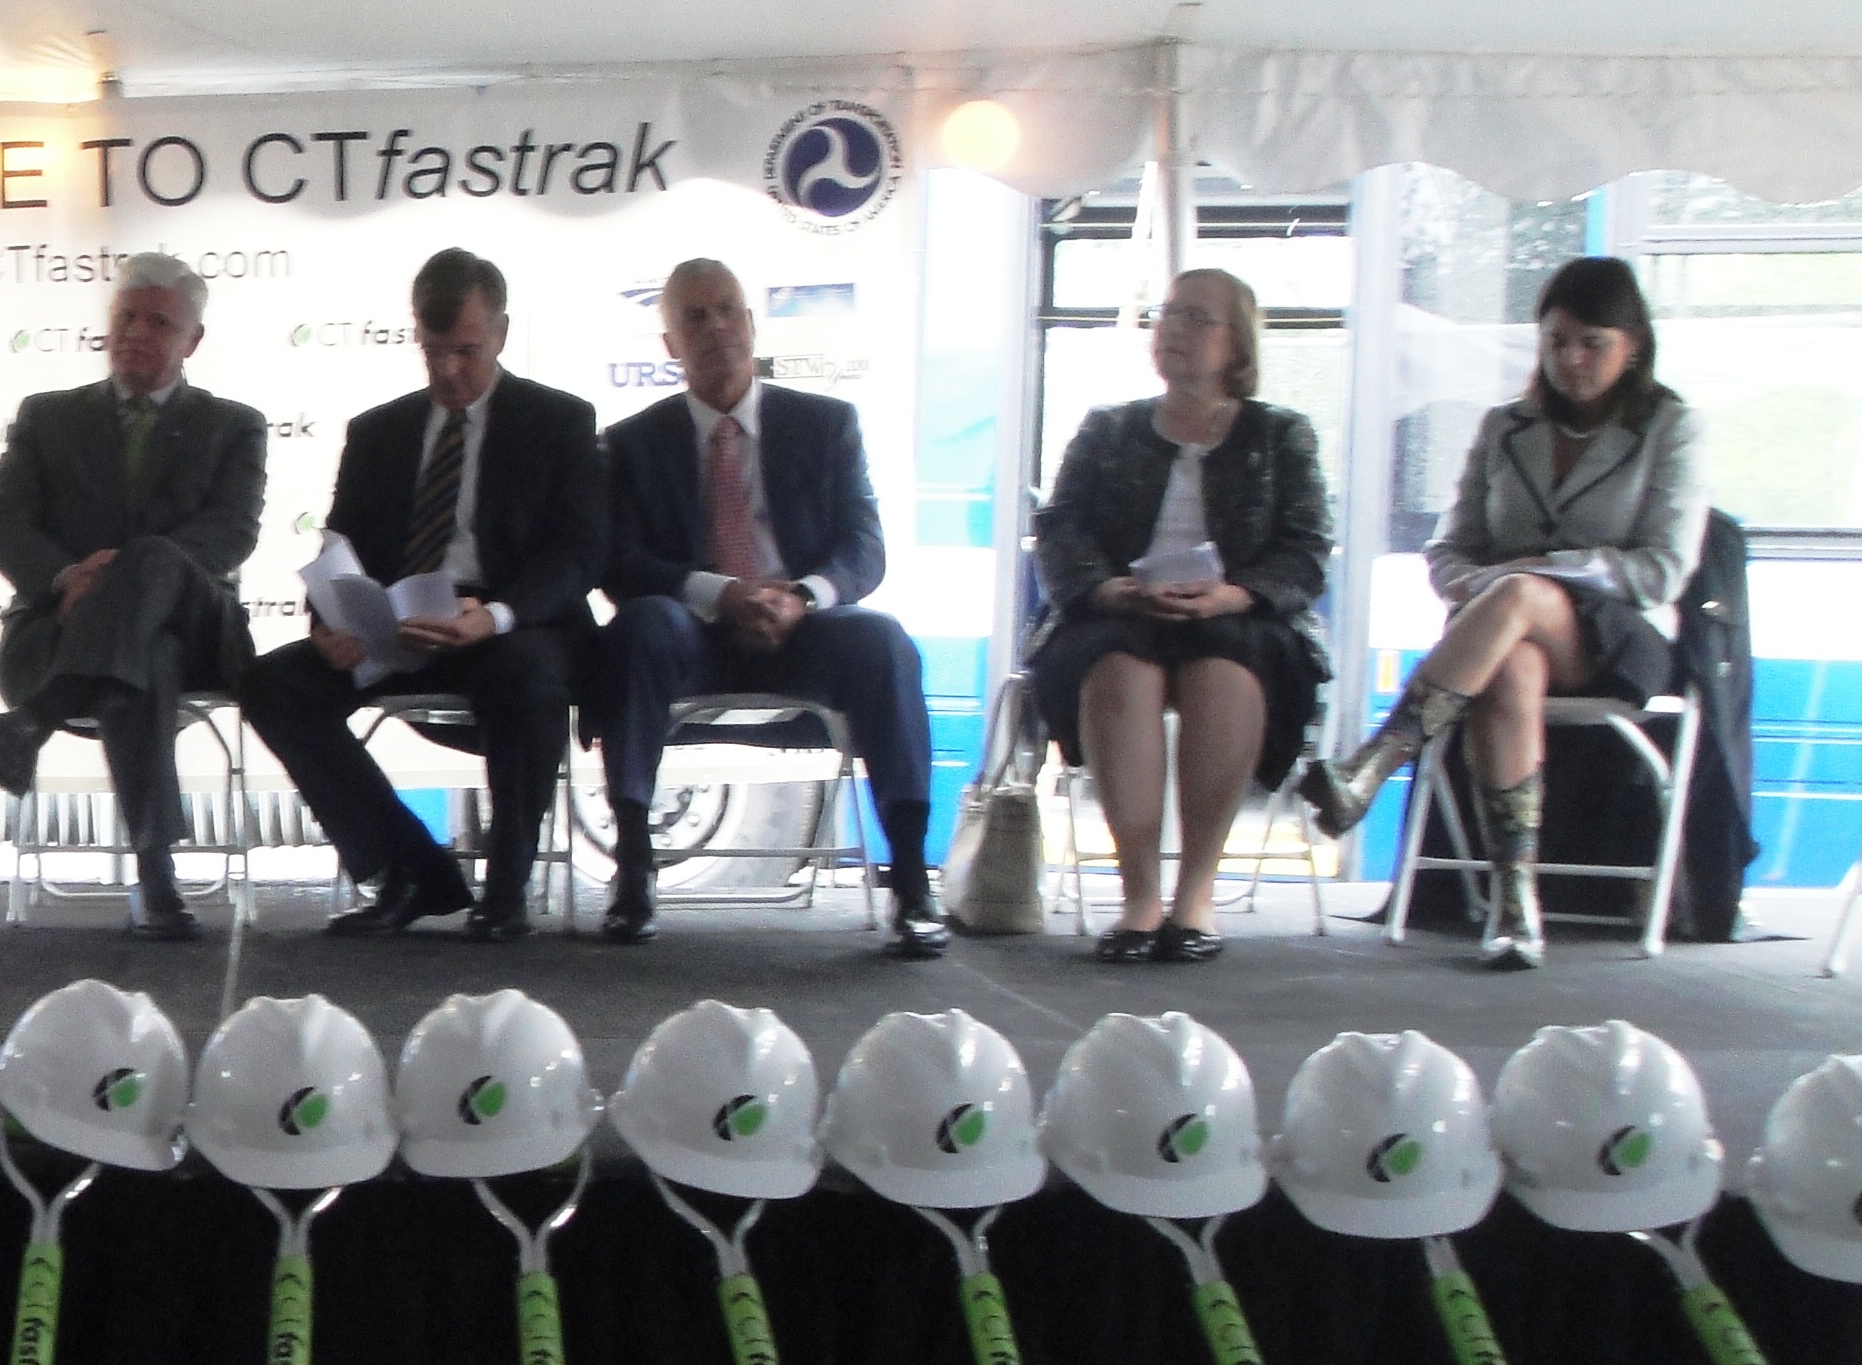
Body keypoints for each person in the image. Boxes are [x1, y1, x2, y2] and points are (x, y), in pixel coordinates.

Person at [1300, 255, 1706, 969]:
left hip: (1620, 634)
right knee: (1510, 667)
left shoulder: (1671, 427)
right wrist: (1477, 584)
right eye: (1556, 341)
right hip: (1505, 631)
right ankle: (1516, 908)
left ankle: (1374, 762)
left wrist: (1539, 573)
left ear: (1632, 344)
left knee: (1516, 596)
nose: (1570, 359)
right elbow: (1448, 550)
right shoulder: (1504, 428)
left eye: (1592, 343)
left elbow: (1663, 569)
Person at [238, 247, 598, 943]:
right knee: (272, 683)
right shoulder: (380, 430)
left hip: (507, 621)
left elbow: (577, 555)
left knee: (524, 675)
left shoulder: (558, 421)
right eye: (433, 352)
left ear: (501, 333)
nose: (448, 371)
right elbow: (340, 545)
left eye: (465, 351)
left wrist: (490, 616)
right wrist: (329, 624)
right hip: (396, 622)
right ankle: (409, 869)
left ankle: (506, 885)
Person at [593, 258, 949, 957]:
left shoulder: (825, 424)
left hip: (802, 626)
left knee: (885, 643)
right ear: (671, 345)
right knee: (640, 626)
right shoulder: (632, 443)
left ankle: (911, 876)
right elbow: (620, 565)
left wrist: (801, 596)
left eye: (728, 310)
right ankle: (634, 868)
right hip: (692, 629)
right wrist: (718, 592)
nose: (716, 327)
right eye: (694, 317)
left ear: (752, 325)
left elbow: (863, 549)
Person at [0, 254, 267, 940]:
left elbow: (231, 533)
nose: (135, 332)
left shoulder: (234, 424)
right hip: (64, 632)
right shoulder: (47, 416)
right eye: (125, 316)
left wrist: (120, 577)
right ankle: (157, 880)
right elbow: (4, 524)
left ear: (193, 340)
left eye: (158, 321)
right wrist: (66, 579)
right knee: (141, 663)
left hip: (201, 631)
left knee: (156, 557)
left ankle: (33, 722)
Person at [1027, 267, 1334, 963]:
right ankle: (1138, 898)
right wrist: (1107, 590)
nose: (1176, 330)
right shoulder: (1109, 429)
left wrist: (1236, 593)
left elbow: (1307, 549)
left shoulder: (1282, 434)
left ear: (1238, 344)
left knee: (1224, 671)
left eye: (1198, 318)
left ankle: (1196, 896)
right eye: (1169, 315)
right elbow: (1060, 528)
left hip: (1238, 612)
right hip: (1120, 608)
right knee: (1120, 674)